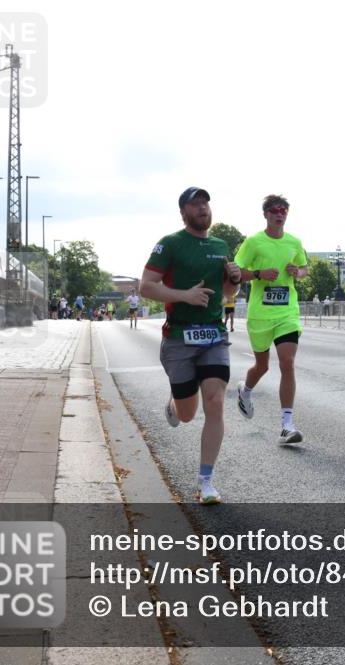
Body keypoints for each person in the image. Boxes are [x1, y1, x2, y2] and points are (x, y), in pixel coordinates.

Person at [141, 187, 242, 505]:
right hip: (179, 337)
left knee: (215, 401)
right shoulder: (170, 244)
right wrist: (184, 295)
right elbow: (146, 286)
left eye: (205, 203)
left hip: (213, 334)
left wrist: (235, 280)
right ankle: (173, 405)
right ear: (183, 212)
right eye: (195, 204)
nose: (202, 208)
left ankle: (206, 482)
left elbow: (226, 293)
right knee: (187, 414)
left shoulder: (220, 245)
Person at [233, 194, 309, 444]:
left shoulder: (294, 242)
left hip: (287, 312)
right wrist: (258, 273)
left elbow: (305, 268)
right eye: (276, 210)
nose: (281, 213)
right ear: (265, 214)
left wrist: (298, 272)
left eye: (284, 210)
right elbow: (235, 272)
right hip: (260, 315)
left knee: (287, 362)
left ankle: (287, 425)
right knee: (262, 366)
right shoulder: (254, 242)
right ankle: (245, 390)